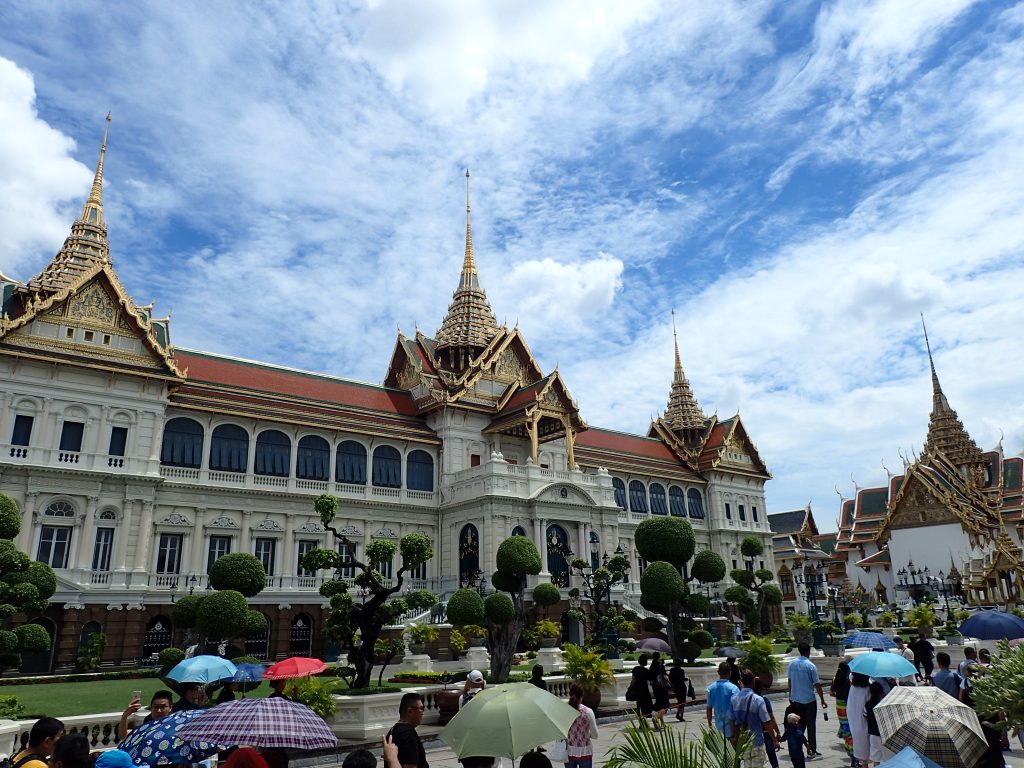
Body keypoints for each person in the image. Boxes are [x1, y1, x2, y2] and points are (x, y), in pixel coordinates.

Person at [786, 642, 827, 759]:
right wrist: (822, 699)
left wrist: (790, 695)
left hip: (796, 699)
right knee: (810, 725)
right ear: (808, 651)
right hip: (808, 700)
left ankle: (796, 746)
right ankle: (812, 750)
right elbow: (817, 684)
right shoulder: (810, 666)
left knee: (799, 724)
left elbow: (790, 681)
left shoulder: (791, 664)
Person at [730, 670, 777, 768]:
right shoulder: (758, 700)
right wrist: (774, 740)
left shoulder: (734, 698)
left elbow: (732, 720)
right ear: (753, 682)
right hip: (757, 740)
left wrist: (733, 737)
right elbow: (767, 722)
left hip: (743, 741)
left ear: (741, 681)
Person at [564, 683, 598, 768]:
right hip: (585, 751)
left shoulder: (564, 710)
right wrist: (585, 734)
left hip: (569, 751)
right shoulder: (588, 712)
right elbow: (595, 735)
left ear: (570, 695)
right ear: (581, 696)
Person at [390, 692, 428, 768]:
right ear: (410, 711)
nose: (422, 712)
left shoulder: (394, 730)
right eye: (421, 708)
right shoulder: (408, 735)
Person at [706, 661, 740, 741]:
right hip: (732, 729)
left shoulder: (710, 688)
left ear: (718, 672)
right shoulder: (733, 689)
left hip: (719, 729)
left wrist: (710, 725)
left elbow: (709, 709)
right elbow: (737, 710)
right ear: (730, 672)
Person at [753, 677, 780, 768]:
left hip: (753, 732)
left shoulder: (747, 700)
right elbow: (771, 718)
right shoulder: (764, 700)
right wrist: (777, 732)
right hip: (765, 731)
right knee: (771, 752)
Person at [865, 682, 894, 767]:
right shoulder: (884, 705)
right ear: (881, 692)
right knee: (888, 759)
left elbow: (865, 717)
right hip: (884, 735)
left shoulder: (867, 704)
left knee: (876, 759)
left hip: (873, 735)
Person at [847, 672, 871, 768]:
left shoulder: (852, 688)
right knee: (868, 746)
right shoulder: (868, 689)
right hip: (864, 720)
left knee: (859, 745)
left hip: (853, 719)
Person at [831, 660, 854, 760]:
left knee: (845, 728)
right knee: (851, 730)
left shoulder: (835, 679)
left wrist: (838, 696)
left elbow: (831, 693)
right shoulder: (849, 681)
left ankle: (848, 747)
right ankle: (852, 752)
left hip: (839, 706)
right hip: (848, 706)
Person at [649, 652, 671, 730]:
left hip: (655, 687)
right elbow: (665, 676)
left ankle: (663, 723)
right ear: (659, 657)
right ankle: (656, 718)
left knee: (659, 703)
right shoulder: (661, 665)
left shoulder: (652, 666)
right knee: (665, 705)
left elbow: (650, 677)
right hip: (662, 687)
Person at [631, 654, 654, 727]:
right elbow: (651, 680)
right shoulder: (646, 671)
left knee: (639, 706)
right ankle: (645, 720)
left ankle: (641, 722)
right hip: (644, 690)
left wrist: (631, 687)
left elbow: (633, 680)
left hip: (638, 690)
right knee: (646, 706)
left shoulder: (635, 669)